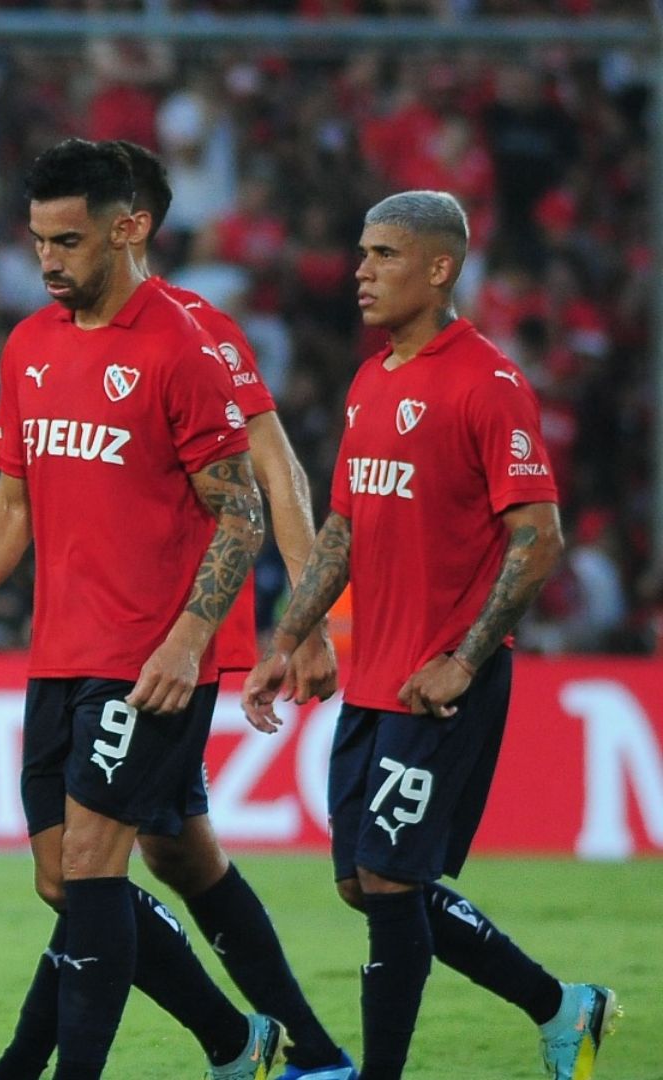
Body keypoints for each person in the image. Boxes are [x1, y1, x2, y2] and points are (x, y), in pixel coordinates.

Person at [0, 141, 355, 1080]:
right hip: (65, 646)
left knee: (94, 862)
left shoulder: (196, 338)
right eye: (38, 241)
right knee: (156, 862)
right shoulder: (33, 344)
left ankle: (42, 1067)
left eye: (66, 240)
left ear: (132, 227)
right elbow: (16, 506)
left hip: (163, 643)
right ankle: (260, 1043)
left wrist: (304, 616)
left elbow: (266, 476)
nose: (46, 260)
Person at [242, 190, 617, 1080]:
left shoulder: (488, 384)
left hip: (441, 684)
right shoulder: (372, 379)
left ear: (440, 267)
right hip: (375, 678)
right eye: (362, 254)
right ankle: (561, 1006)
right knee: (360, 883)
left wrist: (464, 658)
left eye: (384, 255)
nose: (362, 272)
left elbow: (540, 538)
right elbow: (342, 529)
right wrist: (286, 639)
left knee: (391, 883)